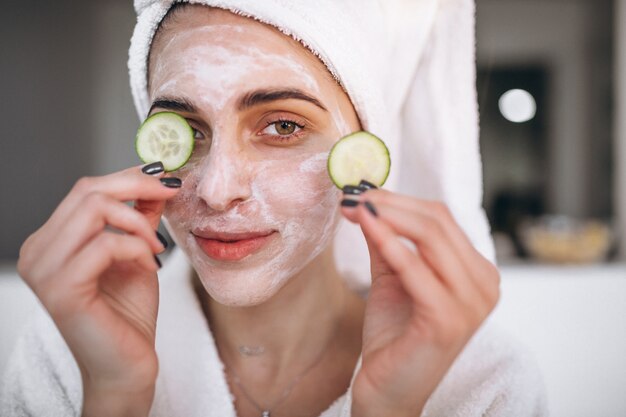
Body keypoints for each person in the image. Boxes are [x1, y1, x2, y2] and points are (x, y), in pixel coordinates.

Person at [0, 1, 547, 416]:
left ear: (364, 155)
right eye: (185, 131)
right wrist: (114, 395)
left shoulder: (482, 384)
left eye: (283, 126)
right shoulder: (69, 355)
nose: (216, 189)